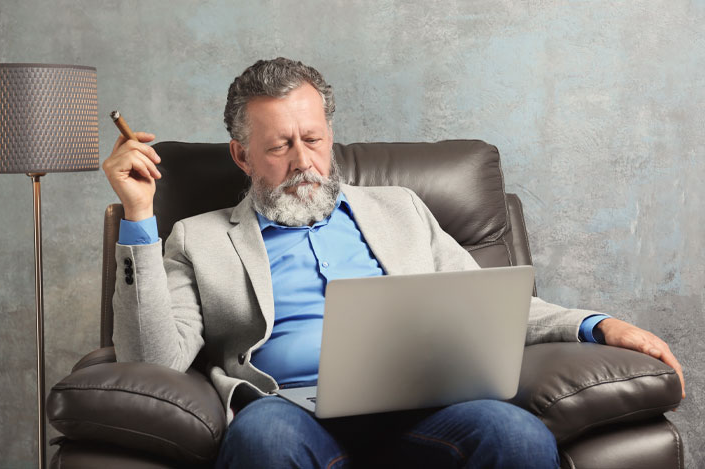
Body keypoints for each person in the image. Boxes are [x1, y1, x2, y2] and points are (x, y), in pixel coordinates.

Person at [103, 57, 685, 468]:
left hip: (422, 414)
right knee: (262, 442)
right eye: (280, 145)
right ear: (242, 154)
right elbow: (151, 357)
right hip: (289, 412)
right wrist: (138, 215)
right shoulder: (196, 239)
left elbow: (492, 307)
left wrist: (596, 324)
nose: (304, 160)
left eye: (314, 138)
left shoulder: (400, 209)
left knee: (513, 432)